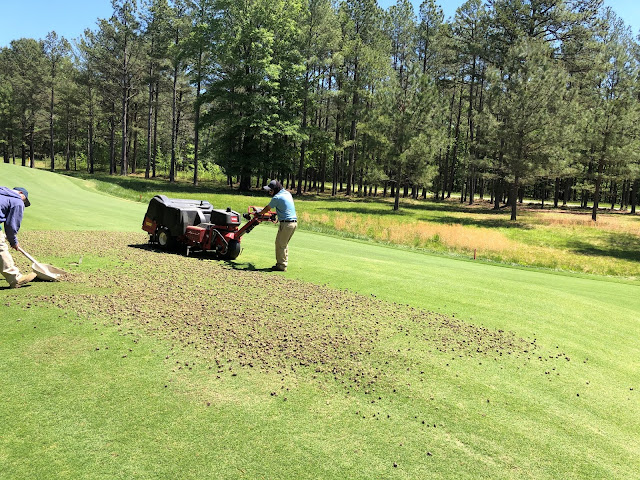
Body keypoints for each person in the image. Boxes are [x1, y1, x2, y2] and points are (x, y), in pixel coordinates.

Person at [0, 187, 37, 288]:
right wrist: (13, 241)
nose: (23, 203)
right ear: (20, 193)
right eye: (24, 200)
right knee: (1, 249)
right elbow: (12, 225)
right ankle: (15, 278)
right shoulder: (17, 200)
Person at [259, 180, 297, 271]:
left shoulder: (277, 197)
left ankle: (281, 265)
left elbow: (267, 208)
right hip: (293, 223)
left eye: (271, 190)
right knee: (283, 244)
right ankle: (282, 263)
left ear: (275, 189)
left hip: (286, 224)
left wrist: (259, 213)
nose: (270, 192)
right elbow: (284, 207)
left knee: (280, 244)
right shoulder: (287, 193)